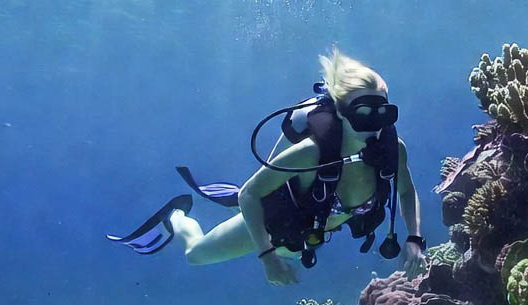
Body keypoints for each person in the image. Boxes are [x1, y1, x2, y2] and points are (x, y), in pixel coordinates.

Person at [107, 49, 426, 285]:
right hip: (275, 222)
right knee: (196, 255)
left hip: (306, 233)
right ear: (340, 113)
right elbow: (249, 194)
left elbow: (407, 190)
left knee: (288, 246)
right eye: (363, 114)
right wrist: (266, 257)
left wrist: (414, 239)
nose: (374, 126)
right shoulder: (310, 153)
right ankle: (177, 217)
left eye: (384, 114)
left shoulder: (392, 150)